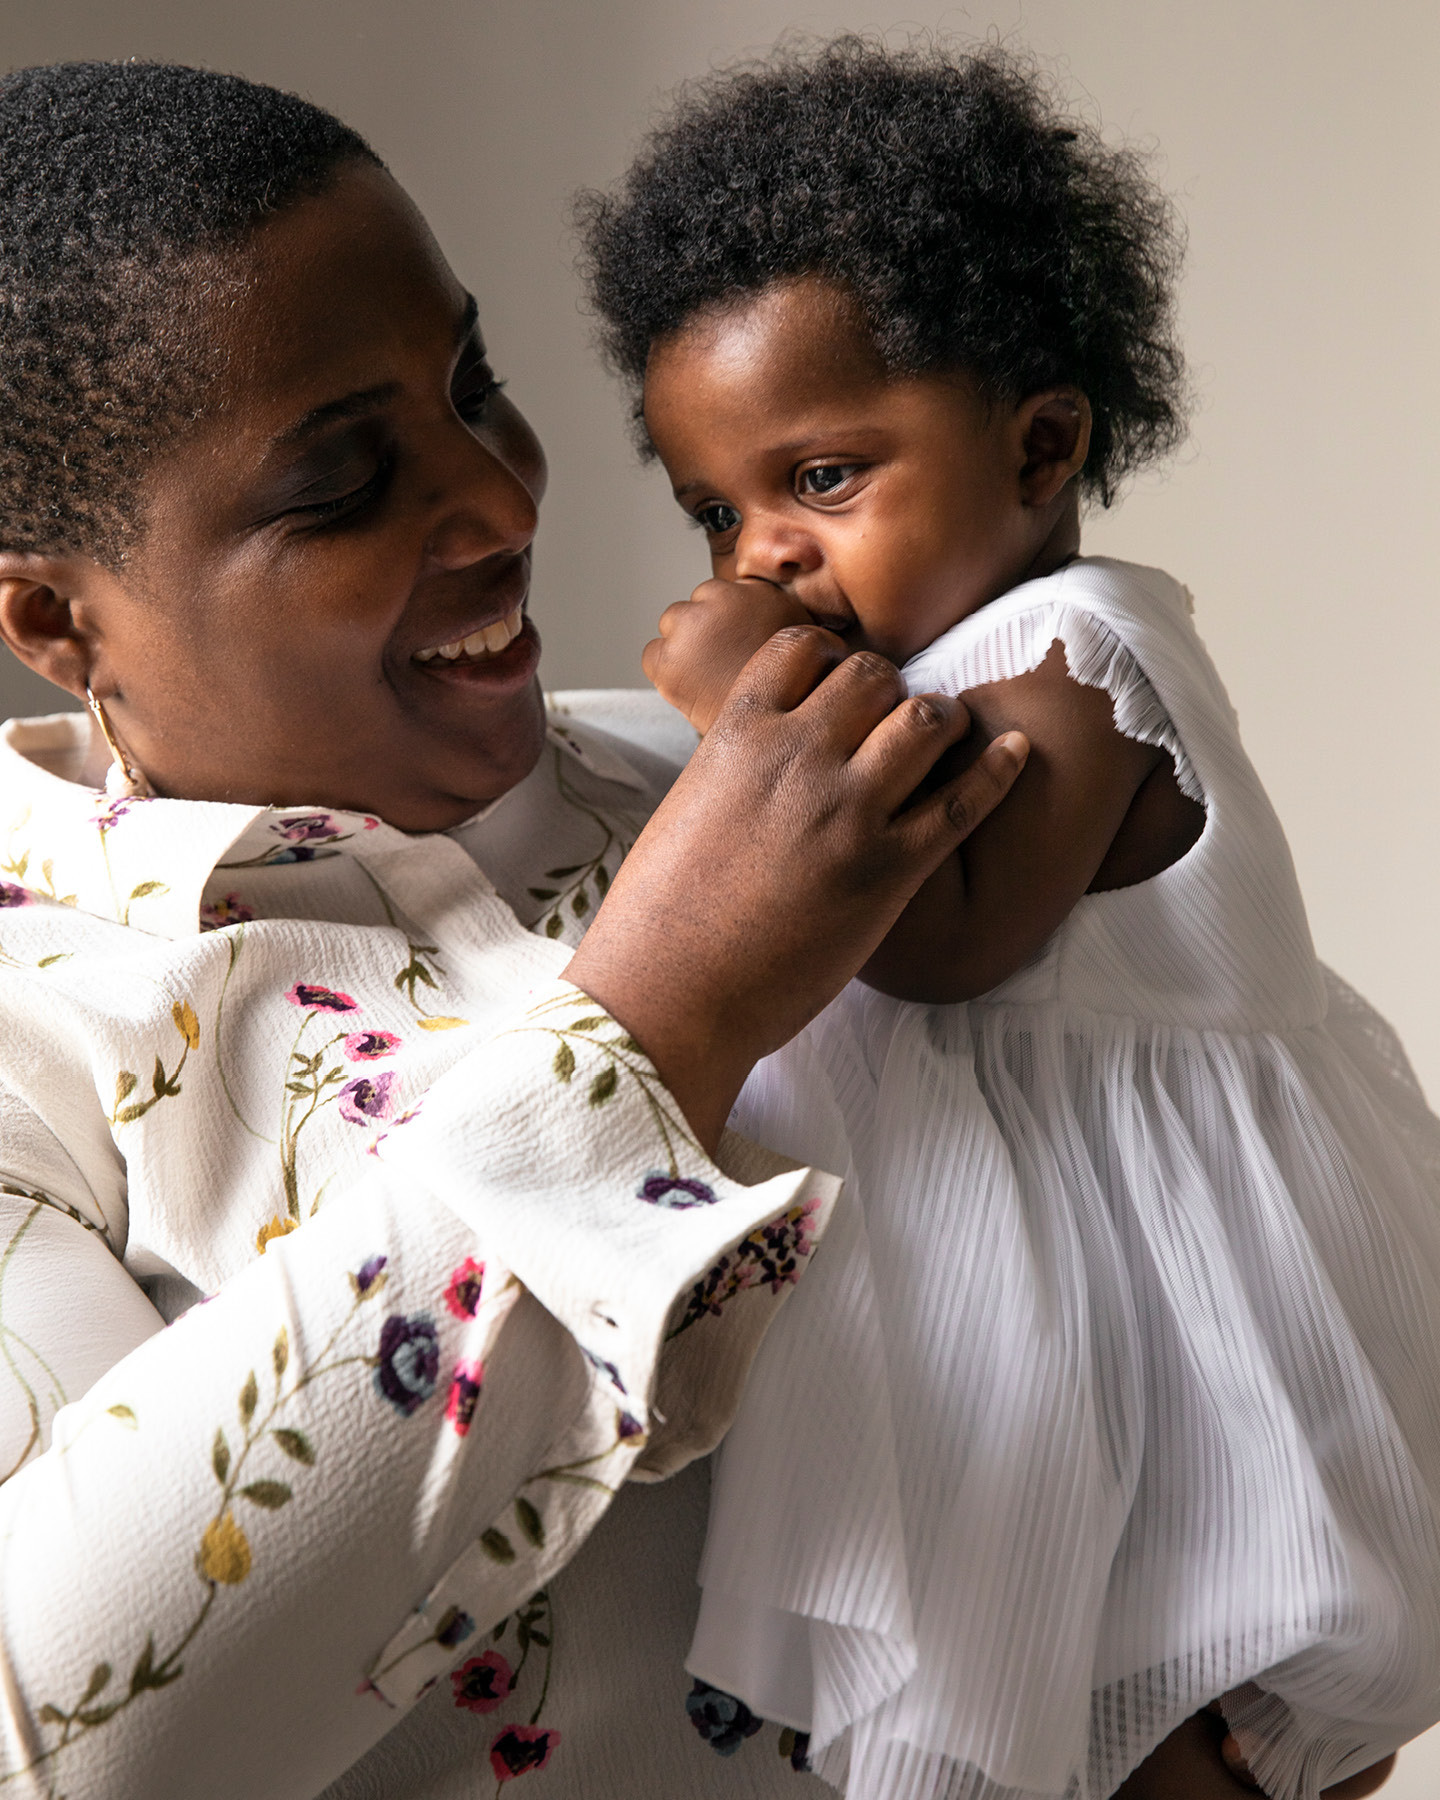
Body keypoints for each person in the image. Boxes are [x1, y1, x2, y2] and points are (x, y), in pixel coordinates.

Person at [0, 60, 1031, 1800]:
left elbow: (1190, 1125)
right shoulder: (37, 1029)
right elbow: (64, 1738)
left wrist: (1247, 1673)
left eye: (476, 384)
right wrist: (653, 1022)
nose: (501, 502)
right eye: (340, 480)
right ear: (51, 617)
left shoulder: (761, 767)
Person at [577, 38, 1438, 1800]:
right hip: (1019, 1322)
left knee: (1189, 1718)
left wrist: (752, 699)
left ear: (1041, 444)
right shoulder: (907, 678)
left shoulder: (1079, 661)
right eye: (715, 512)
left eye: (821, 480)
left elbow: (942, 930)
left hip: (1185, 1332)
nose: (761, 556)